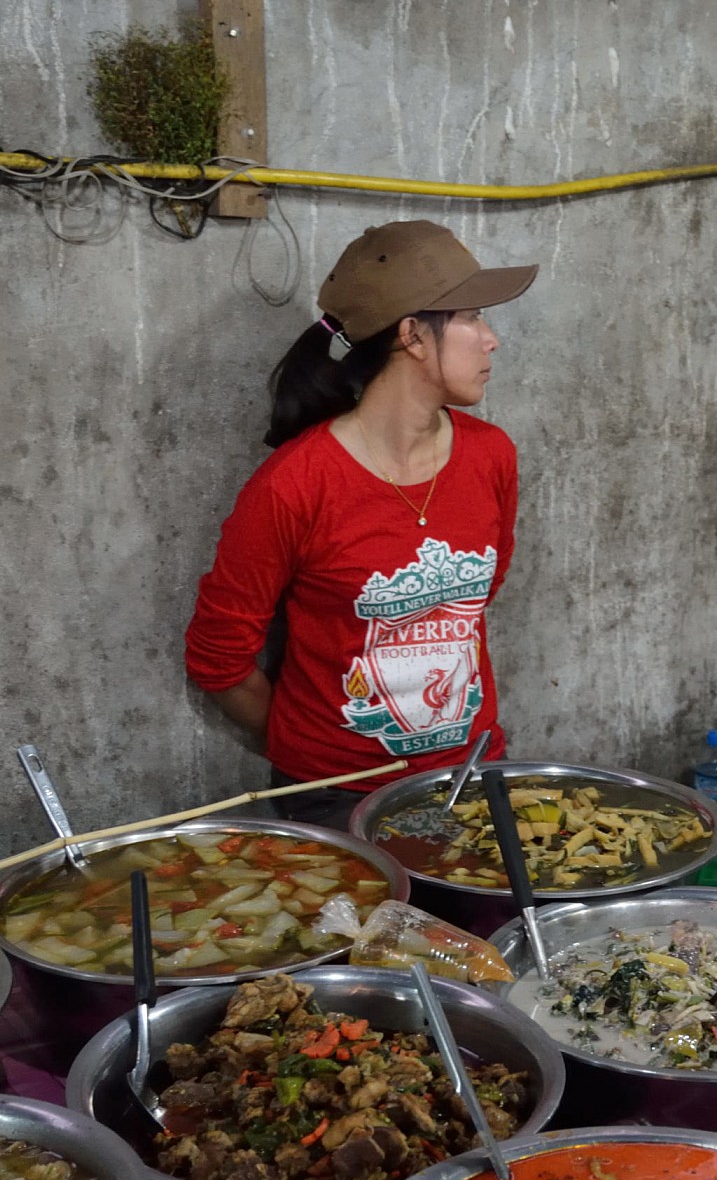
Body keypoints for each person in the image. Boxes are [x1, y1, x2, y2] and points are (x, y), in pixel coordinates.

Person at [186, 220, 535, 830]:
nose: (492, 339)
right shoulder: (295, 484)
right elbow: (219, 659)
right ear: (412, 336)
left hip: (470, 775)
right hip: (336, 799)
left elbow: (481, 594)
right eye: (473, 317)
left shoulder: (490, 455)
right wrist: (314, 745)